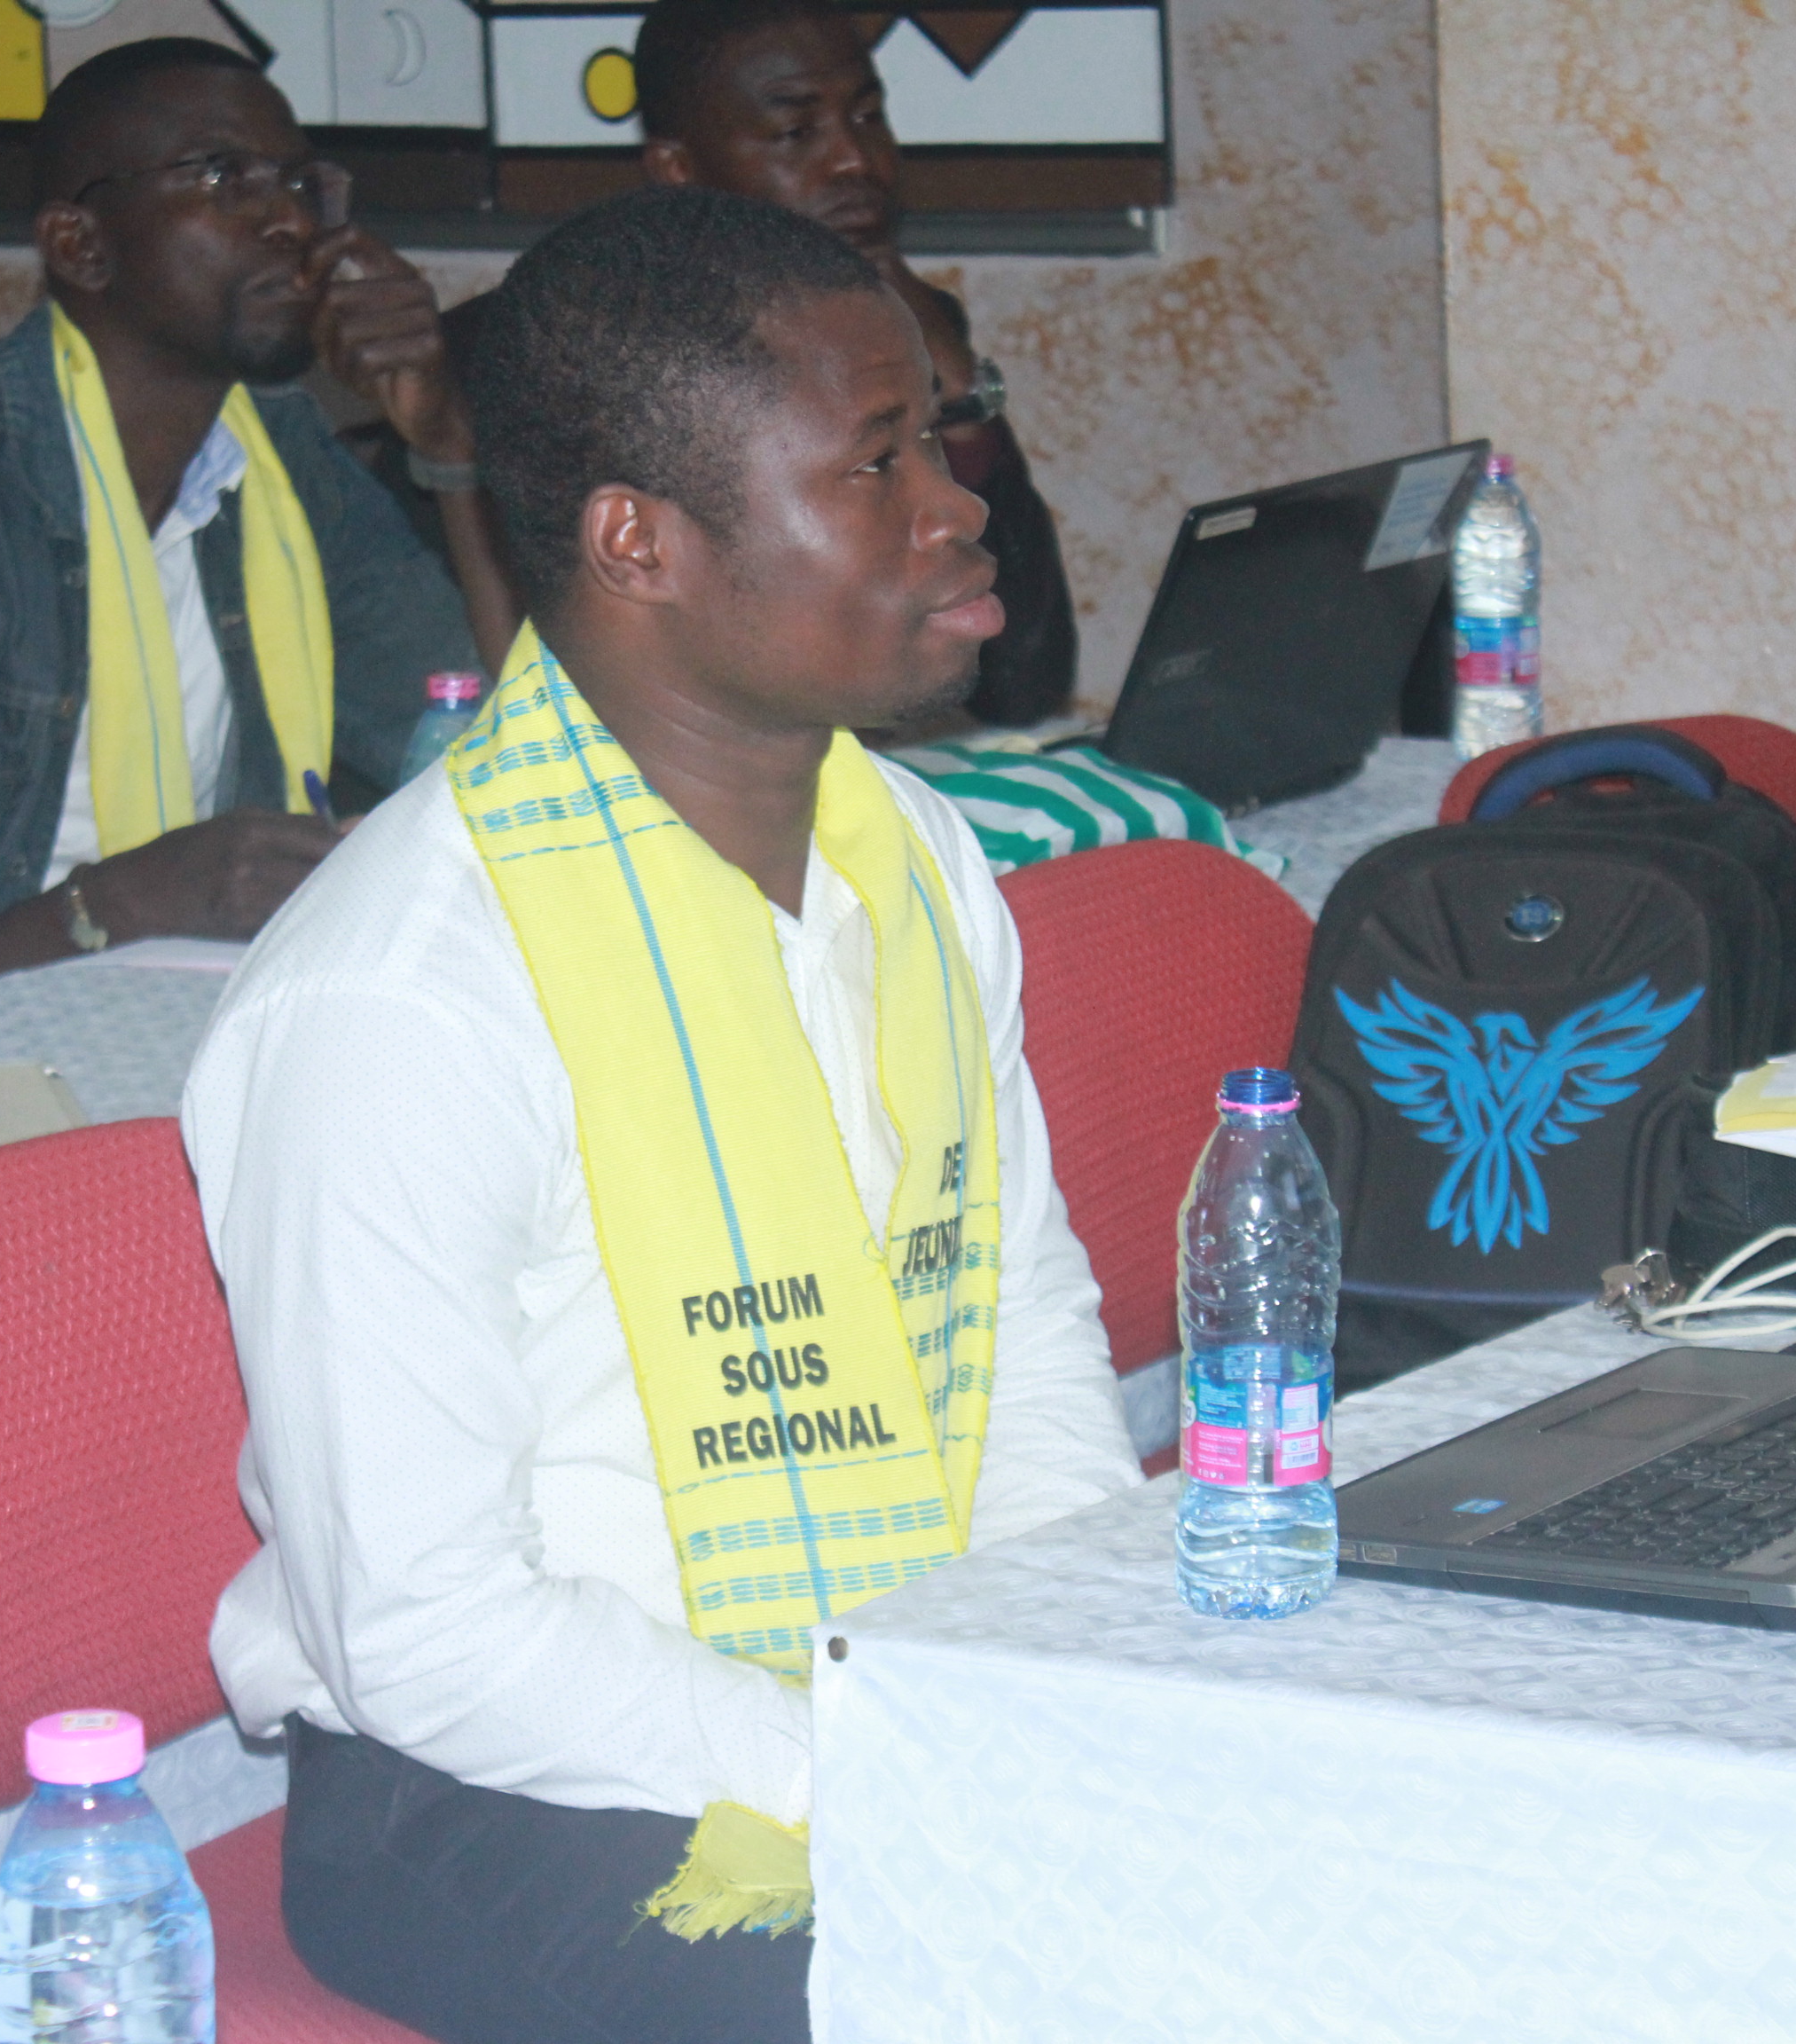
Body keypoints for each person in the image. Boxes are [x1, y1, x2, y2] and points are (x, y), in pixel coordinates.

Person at [183, 186, 1137, 2043]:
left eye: (938, 434)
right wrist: (880, 1769)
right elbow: (428, 1628)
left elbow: (1017, 1325)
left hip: (886, 1689)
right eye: (876, 462)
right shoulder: (403, 996)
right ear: (639, 541)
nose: (957, 506)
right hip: (496, 1787)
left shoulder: (910, 858)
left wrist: (1048, 1690)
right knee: (1015, 2001)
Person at [0, 38, 513, 1022]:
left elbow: (508, 760)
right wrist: (122, 906)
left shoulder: (284, 467)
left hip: (210, 1026)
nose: (293, 222)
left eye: (304, 184)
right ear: (82, 247)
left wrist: (450, 445)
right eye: (225, 177)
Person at [637, 0, 1078, 727]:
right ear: (679, 169)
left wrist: (958, 400)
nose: (855, 160)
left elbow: (1023, 680)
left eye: (869, 117)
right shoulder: (620, 363)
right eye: (795, 133)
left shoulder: (906, 331)